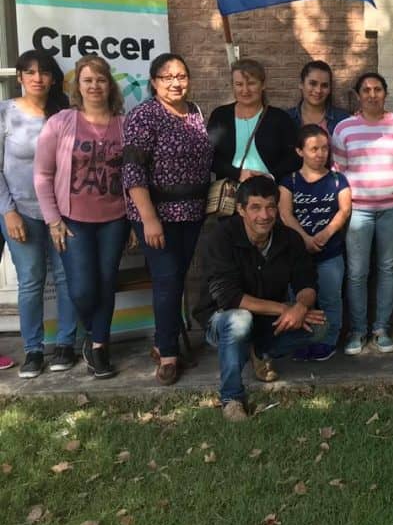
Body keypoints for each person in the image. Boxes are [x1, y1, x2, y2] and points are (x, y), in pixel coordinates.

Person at [195, 176, 327, 422]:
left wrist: (301, 306)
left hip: (266, 319)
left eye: (270, 207)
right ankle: (232, 399)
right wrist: (285, 309)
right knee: (240, 320)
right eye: (255, 207)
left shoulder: (289, 238)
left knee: (320, 326)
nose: (264, 215)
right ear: (241, 209)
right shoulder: (221, 238)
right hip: (221, 318)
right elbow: (230, 297)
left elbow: (307, 283)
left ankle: (258, 349)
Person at [34, 55, 128, 379]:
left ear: (109, 85)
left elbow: (133, 175)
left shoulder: (123, 124)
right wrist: (53, 220)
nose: (94, 86)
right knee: (83, 290)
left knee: (107, 283)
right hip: (72, 219)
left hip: (115, 218)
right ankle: (92, 332)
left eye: (101, 80)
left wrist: (133, 219)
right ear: (78, 86)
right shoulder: (60, 122)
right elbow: (42, 175)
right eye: (88, 80)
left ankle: (99, 346)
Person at [123, 52, 213, 385]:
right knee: (166, 279)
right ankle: (168, 355)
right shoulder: (144, 115)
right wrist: (149, 219)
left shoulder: (195, 112)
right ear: (153, 82)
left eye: (181, 76)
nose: (175, 83)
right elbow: (132, 171)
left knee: (176, 279)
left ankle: (164, 342)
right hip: (157, 215)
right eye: (167, 77)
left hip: (192, 212)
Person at [1, 50, 77, 378]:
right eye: (30, 72)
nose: (37, 78)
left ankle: (66, 344)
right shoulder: (5, 112)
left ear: (53, 78)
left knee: (66, 277)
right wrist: (8, 211)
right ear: (19, 76)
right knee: (31, 280)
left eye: (44, 72)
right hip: (22, 211)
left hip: (61, 212)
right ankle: (33, 349)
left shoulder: (65, 115)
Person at [333, 71, 393, 355]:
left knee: (388, 269)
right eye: (366, 90)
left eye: (378, 89)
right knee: (357, 272)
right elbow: (338, 172)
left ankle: (381, 329)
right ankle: (357, 330)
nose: (372, 94)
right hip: (358, 211)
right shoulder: (344, 128)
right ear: (358, 95)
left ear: (385, 93)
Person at [279, 124, 351, 362]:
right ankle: (301, 339)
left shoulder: (338, 180)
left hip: (330, 253)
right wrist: (305, 239)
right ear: (300, 151)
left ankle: (328, 341)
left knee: (331, 298)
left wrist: (326, 234)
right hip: (297, 255)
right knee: (298, 299)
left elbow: (344, 210)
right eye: (313, 149)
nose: (320, 154)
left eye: (324, 148)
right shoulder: (289, 182)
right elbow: (285, 214)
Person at [207, 58, 300, 184]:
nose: (245, 90)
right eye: (239, 84)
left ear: (263, 84)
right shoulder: (220, 116)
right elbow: (209, 157)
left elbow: (294, 157)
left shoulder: (280, 118)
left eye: (251, 83)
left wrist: (271, 176)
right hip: (229, 192)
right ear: (232, 85)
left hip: (268, 191)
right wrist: (237, 174)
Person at [286, 60, 351, 136]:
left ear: (330, 89)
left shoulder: (343, 119)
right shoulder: (286, 118)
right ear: (301, 84)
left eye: (324, 85)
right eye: (313, 83)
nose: (318, 90)